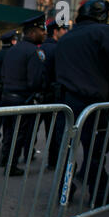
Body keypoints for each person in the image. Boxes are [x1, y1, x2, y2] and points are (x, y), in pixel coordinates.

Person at [56, 0, 109, 206]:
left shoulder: (67, 38)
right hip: (93, 105)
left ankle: (64, 193)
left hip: (67, 104)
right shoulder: (104, 32)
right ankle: (99, 196)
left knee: (68, 152)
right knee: (94, 153)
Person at [0, 15, 46, 176]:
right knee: (18, 134)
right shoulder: (35, 52)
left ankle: (4, 160)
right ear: (32, 33)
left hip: (6, 96)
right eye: (41, 30)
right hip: (21, 98)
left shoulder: (13, 49)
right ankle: (11, 166)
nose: (44, 33)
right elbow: (35, 81)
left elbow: (3, 73)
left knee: (8, 131)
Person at [39, 20, 68, 170]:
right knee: (53, 131)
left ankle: (23, 155)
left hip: (39, 95)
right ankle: (53, 161)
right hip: (53, 96)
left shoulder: (41, 48)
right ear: (55, 31)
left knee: (31, 129)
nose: (65, 32)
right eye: (63, 29)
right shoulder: (58, 49)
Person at [0, 30, 18, 147]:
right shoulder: (14, 55)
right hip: (11, 90)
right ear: (12, 41)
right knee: (10, 119)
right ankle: (8, 142)